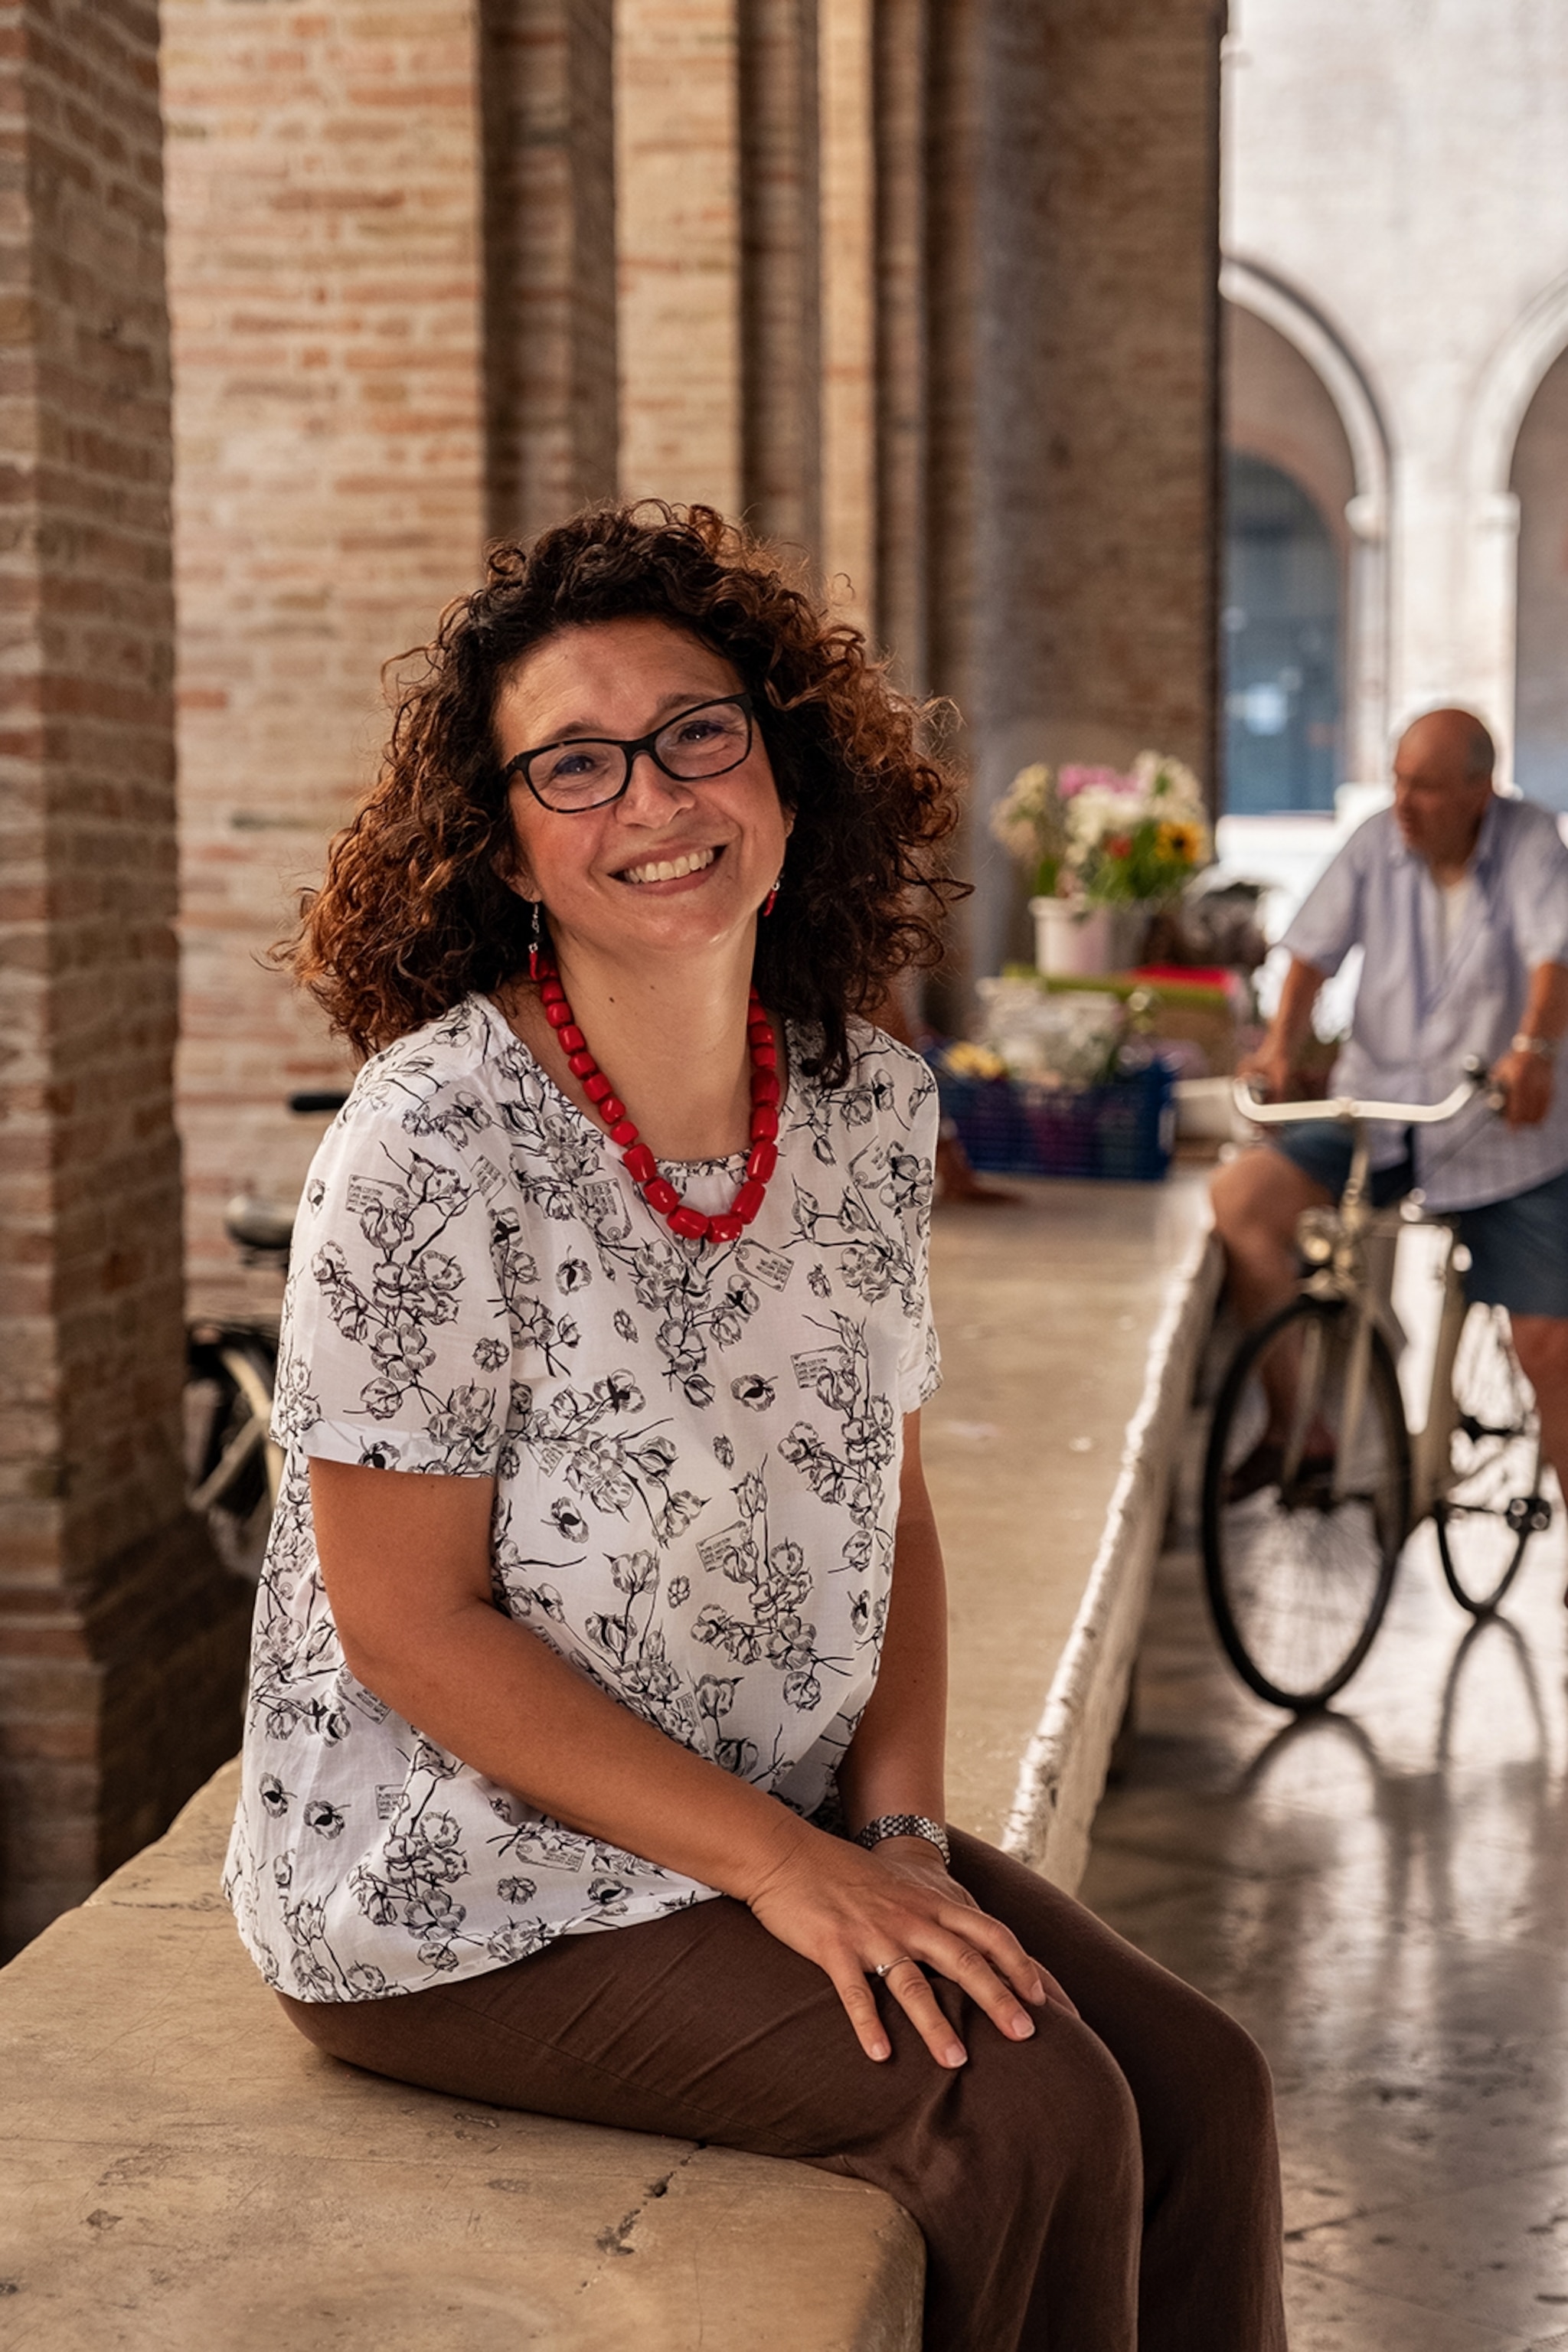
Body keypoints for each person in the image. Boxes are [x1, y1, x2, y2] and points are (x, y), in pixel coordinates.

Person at [224, 502, 1285, 2352]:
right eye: (574, 762)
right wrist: (791, 1867)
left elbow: (887, 1491)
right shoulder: (429, 1141)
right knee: (1024, 2108)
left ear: (785, 772)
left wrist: (895, 1832)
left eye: (697, 730)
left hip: (758, 1810)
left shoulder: (862, 1098)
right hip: (461, 1877)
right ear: (509, 846)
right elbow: (402, 1618)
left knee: (1200, 2079)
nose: (652, 796)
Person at [1211, 707, 1568, 1507]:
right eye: (1398, 781)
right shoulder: (1377, 842)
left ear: (1482, 791)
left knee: (1547, 1345)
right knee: (1240, 1201)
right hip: (1380, 1116)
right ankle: (1298, 1429)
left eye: (1428, 788)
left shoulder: (1531, 845)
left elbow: (1556, 954)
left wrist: (1532, 1050)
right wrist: (1277, 1045)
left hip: (1502, 1130)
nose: (1404, 803)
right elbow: (1310, 954)